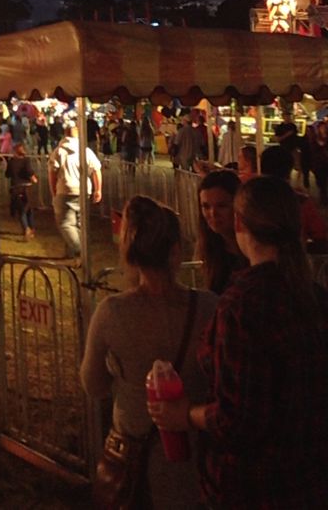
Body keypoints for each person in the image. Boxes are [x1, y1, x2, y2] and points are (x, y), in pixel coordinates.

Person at [148, 176, 328, 509]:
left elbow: (238, 419)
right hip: (309, 472)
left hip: (255, 484)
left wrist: (185, 414)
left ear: (240, 223)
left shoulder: (243, 306)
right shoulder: (311, 294)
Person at [81, 196, 217, 510]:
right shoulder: (210, 307)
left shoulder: (112, 313)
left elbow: (93, 385)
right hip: (198, 455)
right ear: (175, 252)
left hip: (135, 460)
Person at [48, 114, 102, 258]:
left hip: (65, 190)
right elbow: (96, 170)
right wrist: (98, 189)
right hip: (84, 190)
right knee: (79, 224)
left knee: (65, 224)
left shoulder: (59, 151)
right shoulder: (86, 151)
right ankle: (73, 253)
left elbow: (52, 173)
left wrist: (54, 192)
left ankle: (80, 250)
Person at [261, 145, 328, 254]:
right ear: (289, 169)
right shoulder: (301, 201)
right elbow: (320, 237)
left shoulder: (248, 199)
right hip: (293, 264)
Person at [197, 170, 248, 294]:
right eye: (206, 206)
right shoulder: (212, 247)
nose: (213, 214)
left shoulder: (253, 250)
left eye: (221, 206)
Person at [5, 142, 37, 239]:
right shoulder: (26, 161)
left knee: (21, 210)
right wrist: (34, 178)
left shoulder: (11, 161)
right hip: (26, 187)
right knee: (28, 210)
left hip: (15, 188)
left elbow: (7, 174)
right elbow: (29, 172)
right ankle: (30, 228)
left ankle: (28, 228)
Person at [307, 118, 328, 205]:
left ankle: (324, 198)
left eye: (324, 128)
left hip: (326, 163)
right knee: (320, 181)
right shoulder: (314, 139)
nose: (322, 129)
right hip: (319, 163)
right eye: (321, 128)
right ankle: (323, 197)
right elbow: (312, 150)